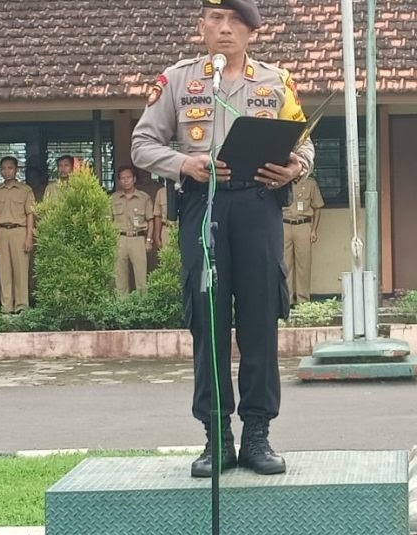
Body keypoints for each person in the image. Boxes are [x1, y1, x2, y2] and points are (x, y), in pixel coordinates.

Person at [131, 0, 314, 478]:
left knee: (259, 322)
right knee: (208, 323)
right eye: (215, 19)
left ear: (252, 32)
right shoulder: (176, 80)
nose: (225, 28)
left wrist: (295, 167)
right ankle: (217, 438)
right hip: (203, 204)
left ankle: (257, 434)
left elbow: (305, 141)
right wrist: (183, 164)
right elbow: (142, 144)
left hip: (258, 205)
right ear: (202, 27)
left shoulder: (276, 81)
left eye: (236, 21)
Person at [0, 157, 35, 313]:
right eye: (3, 168)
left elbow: (30, 214)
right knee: (4, 271)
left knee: (21, 271)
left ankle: (21, 306)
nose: (6, 171)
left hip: (19, 231)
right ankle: (6, 307)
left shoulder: (25, 190)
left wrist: (29, 237)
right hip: (1, 231)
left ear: (17, 170)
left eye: (10, 168)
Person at [111, 165, 154, 295]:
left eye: (128, 177)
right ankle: (122, 307)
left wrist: (148, 240)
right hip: (119, 239)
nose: (126, 180)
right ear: (119, 181)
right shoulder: (113, 198)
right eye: (122, 178)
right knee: (120, 275)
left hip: (138, 238)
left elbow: (150, 221)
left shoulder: (144, 197)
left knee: (141, 275)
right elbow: (108, 221)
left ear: (134, 179)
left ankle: (142, 307)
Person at [282, 176, 324, 304]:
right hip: (284, 225)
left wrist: (314, 230)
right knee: (285, 265)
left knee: (304, 264)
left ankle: (303, 301)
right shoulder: (283, 181)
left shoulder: (310, 183)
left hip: (303, 225)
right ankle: (287, 301)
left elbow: (318, 207)